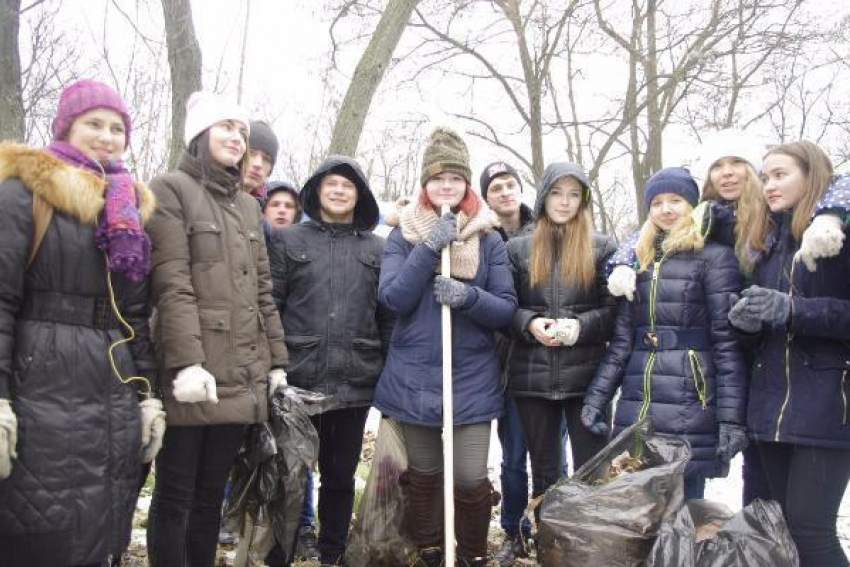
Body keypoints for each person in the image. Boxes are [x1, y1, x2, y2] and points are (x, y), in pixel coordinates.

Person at [0, 78, 162, 566]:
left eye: (117, 128)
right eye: (94, 123)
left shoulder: (127, 208)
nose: (107, 136)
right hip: (40, 385)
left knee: (101, 520)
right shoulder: (22, 192)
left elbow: (134, 314)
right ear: (66, 127)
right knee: (39, 527)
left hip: (110, 385)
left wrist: (147, 395)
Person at [145, 91, 288, 566]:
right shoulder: (170, 189)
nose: (236, 137)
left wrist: (276, 364)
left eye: (242, 131)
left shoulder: (250, 208)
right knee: (175, 496)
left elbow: (262, 293)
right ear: (201, 134)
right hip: (193, 378)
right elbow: (172, 283)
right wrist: (187, 364)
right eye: (225, 126)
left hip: (239, 378)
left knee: (211, 498)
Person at [374, 128, 518, 567]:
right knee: (424, 474)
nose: (447, 186)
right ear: (425, 184)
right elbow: (393, 297)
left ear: (467, 184)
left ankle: (471, 555)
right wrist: (431, 245)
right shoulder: (402, 235)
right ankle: (433, 550)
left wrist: (467, 296)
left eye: (456, 178)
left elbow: (506, 310)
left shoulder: (488, 237)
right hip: (414, 376)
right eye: (438, 179)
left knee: (470, 476)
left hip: (471, 378)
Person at [583, 167, 748, 500]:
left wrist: (731, 419)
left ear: (692, 205)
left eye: (676, 200)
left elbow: (727, 344)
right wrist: (596, 399)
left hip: (690, 401)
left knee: (686, 508)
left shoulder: (715, 258)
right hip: (638, 404)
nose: (666, 209)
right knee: (641, 510)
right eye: (657, 202)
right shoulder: (638, 263)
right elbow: (621, 343)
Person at [728, 141, 850, 567]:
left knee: (810, 531)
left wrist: (793, 309)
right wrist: (746, 324)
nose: (769, 185)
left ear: (812, 175)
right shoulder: (766, 244)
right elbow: (763, 332)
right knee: (776, 533)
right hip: (770, 406)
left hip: (827, 405)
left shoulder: (837, 238)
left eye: (781, 175)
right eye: (765, 177)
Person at [267, 154, 393, 566]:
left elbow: (387, 317)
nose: (339, 190)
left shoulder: (378, 248)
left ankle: (332, 554)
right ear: (317, 191)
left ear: (360, 195)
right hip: (298, 381)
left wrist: (388, 373)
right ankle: (279, 554)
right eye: (331, 184)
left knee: (339, 479)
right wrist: (274, 365)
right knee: (288, 477)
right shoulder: (288, 242)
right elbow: (271, 305)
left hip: (354, 380)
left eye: (348, 185)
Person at [506, 162, 617, 507]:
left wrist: (581, 327)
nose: (564, 202)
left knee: (593, 471)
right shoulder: (518, 249)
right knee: (545, 472)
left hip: (588, 379)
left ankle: (592, 549)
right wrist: (528, 323)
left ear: (583, 202)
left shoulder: (602, 248)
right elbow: (503, 307)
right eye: (556, 193)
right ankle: (549, 544)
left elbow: (616, 313)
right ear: (543, 198)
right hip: (532, 378)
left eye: (573, 195)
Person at [479, 161, 536, 565]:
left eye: (510, 184)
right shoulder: (480, 236)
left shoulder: (545, 229)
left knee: (551, 455)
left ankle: (552, 522)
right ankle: (514, 530)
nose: (504, 192)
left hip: (545, 355)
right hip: (499, 361)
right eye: (495, 187)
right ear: (486, 197)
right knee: (512, 454)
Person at [243, 120, 279, 202]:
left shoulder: (266, 211)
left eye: (266, 159)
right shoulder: (208, 197)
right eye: (251, 153)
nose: (258, 164)